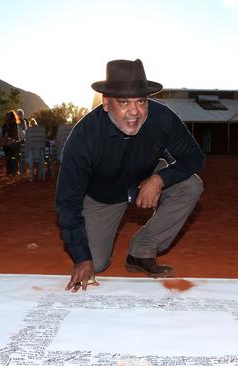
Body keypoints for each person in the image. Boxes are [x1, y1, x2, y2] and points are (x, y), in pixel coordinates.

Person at [55, 59, 205, 292]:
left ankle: (142, 251)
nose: (135, 111)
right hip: (101, 196)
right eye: (123, 102)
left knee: (191, 185)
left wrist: (159, 179)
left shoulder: (162, 118)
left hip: (143, 179)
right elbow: (67, 202)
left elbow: (195, 157)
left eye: (141, 101)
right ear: (106, 103)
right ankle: (91, 253)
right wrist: (82, 257)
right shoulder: (84, 137)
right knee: (97, 262)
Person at [2, 110, 21, 176]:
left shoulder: (14, 124)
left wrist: (10, 139)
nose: (7, 117)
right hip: (7, 143)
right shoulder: (4, 125)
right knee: (8, 156)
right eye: (6, 116)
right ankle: (9, 171)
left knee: (13, 156)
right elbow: (3, 134)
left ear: (11, 117)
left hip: (14, 143)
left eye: (8, 116)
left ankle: (15, 170)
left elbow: (15, 135)